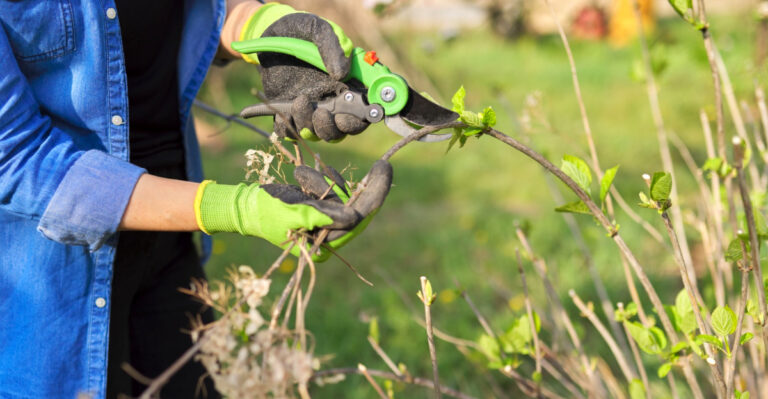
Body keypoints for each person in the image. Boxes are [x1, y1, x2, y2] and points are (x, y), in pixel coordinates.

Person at [0, 1, 391, 398]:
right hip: (48, 287)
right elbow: (15, 158)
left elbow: (198, 12)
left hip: (171, 246)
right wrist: (235, 209)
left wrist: (261, 26)